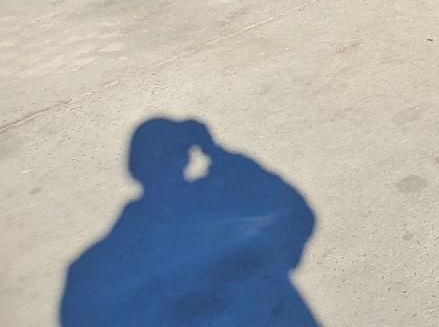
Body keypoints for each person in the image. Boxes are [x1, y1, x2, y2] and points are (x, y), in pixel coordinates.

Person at [61, 118, 318, 326]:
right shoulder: (221, 203)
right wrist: (216, 152)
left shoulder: (92, 267)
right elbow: (295, 210)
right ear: (186, 157)